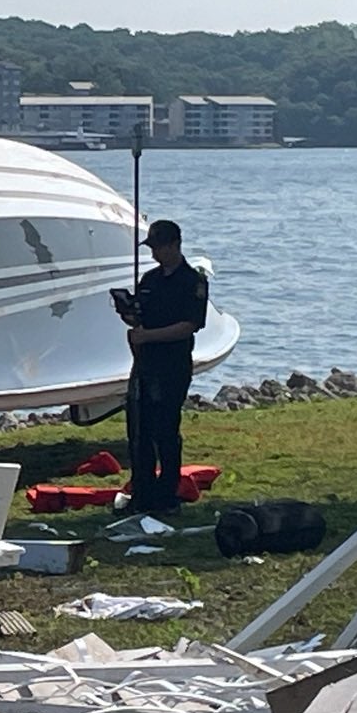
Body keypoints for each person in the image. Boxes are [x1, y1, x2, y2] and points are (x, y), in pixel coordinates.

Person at [122, 219, 208, 515]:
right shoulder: (149, 280)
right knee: (138, 429)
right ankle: (142, 492)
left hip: (171, 363)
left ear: (174, 245)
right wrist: (130, 315)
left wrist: (149, 336)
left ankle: (167, 495)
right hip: (144, 363)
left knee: (165, 430)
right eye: (152, 248)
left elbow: (189, 325)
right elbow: (141, 317)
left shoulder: (192, 281)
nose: (155, 254)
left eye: (159, 247)